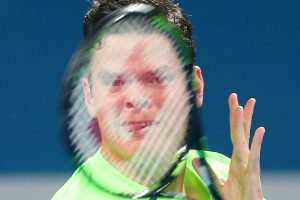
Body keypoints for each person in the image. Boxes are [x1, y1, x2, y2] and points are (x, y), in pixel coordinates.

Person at [52, 1, 265, 200]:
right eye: (115, 81)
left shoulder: (224, 173)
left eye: (156, 78)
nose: (137, 99)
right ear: (89, 96)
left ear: (195, 87)